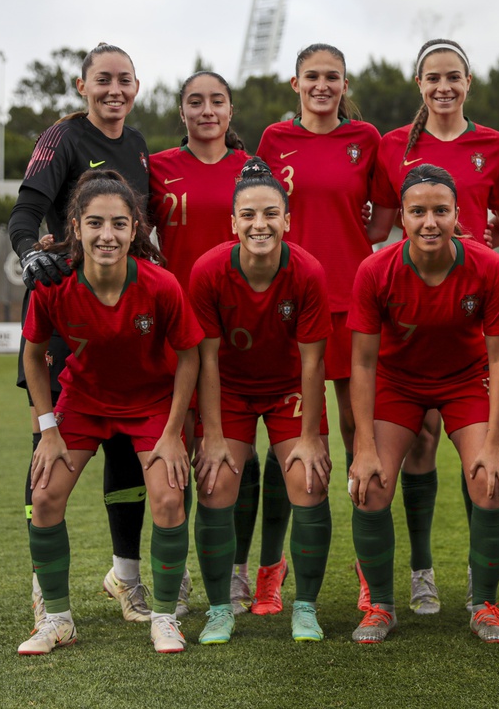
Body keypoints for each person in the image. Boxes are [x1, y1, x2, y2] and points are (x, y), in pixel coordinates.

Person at [7, 43, 166, 628]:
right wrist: (31, 257)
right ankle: (43, 589)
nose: (113, 91)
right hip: (64, 320)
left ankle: (125, 577)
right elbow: (25, 214)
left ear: (137, 86)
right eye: (103, 81)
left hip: (123, 323)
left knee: (126, 448)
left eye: (124, 80)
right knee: (46, 452)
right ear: (81, 86)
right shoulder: (63, 138)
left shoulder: (139, 144)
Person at [17, 170, 203, 655]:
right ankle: (57, 619)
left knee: (168, 499)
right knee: (45, 496)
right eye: (95, 223)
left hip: (149, 404)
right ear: (75, 227)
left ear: (135, 228)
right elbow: (33, 356)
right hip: (82, 401)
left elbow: (190, 355)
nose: (107, 235)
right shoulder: (53, 286)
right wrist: (48, 429)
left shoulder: (161, 285)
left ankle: (164, 618)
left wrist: (173, 433)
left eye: (119, 224)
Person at [366, 38, 499, 615]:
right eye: (433, 77)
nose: (443, 87)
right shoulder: (391, 147)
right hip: (408, 320)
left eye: (453, 76)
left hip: (468, 314)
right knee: (417, 444)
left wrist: (469, 250)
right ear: (419, 84)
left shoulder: (492, 145)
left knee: (474, 451)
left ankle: (482, 595)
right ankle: (420, 570)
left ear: (469, 81)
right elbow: (380, 223)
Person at [348, 165, 499, 644]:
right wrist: (363, 444)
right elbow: (362, 363)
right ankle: (380, 605)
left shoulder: (486, 265)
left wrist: (498, 440)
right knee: (371, 483)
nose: (429, 222)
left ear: (457, 214)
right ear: (401, 216)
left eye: (440, 211)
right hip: (397, 383)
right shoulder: (375, 271)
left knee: (490, 482)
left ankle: (483, 602)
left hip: (466, 380)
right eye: (417, 211)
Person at [255, 43, 382, 614]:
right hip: (290, 303)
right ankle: (269, 574)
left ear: (344, 83)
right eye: (313, 76)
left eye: (332, 76)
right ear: (295, 83)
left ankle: (367, 573)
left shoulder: (367, 139)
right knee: (288, 438)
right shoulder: (273, 142)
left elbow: (383, 213)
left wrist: (360, 242)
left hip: (352, 302)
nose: (322, 85)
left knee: (360, 434)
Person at [188, 158, 334, 643]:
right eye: (248, 215)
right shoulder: (208, 271)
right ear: (233, 223)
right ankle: (218, 610)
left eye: (270, 214)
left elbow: (314, 364)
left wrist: (311, 437)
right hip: (228, 388)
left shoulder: (308, 272)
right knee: (213, 485)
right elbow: (206, 361)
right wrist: (210, 436)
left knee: (309, 482)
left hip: (288, 388)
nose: (259, 224)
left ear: (286, 221)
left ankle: (306, 608)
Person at [148, 71, 270, 617]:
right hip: (178, 334)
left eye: (216, 101)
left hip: (241, 331)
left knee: (236, 457)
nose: (206, 111)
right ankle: (174, 575)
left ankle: (238, 572)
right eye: (195, 102)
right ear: (181, 112)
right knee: (182, 453)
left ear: (230, 109)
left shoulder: (254, 172)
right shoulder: (158, 169)